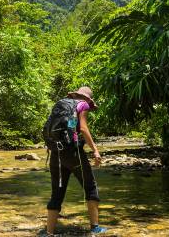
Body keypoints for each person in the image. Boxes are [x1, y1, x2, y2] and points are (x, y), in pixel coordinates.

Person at [46, 86, 107, 236]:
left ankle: (49, 232)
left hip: (55, 153)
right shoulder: (83, 105)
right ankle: (95, 228)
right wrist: (95, 151)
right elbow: (84, 129)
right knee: (90, 187)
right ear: (87, 98)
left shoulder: (61, 104)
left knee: (57, 193)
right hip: (73, 154)